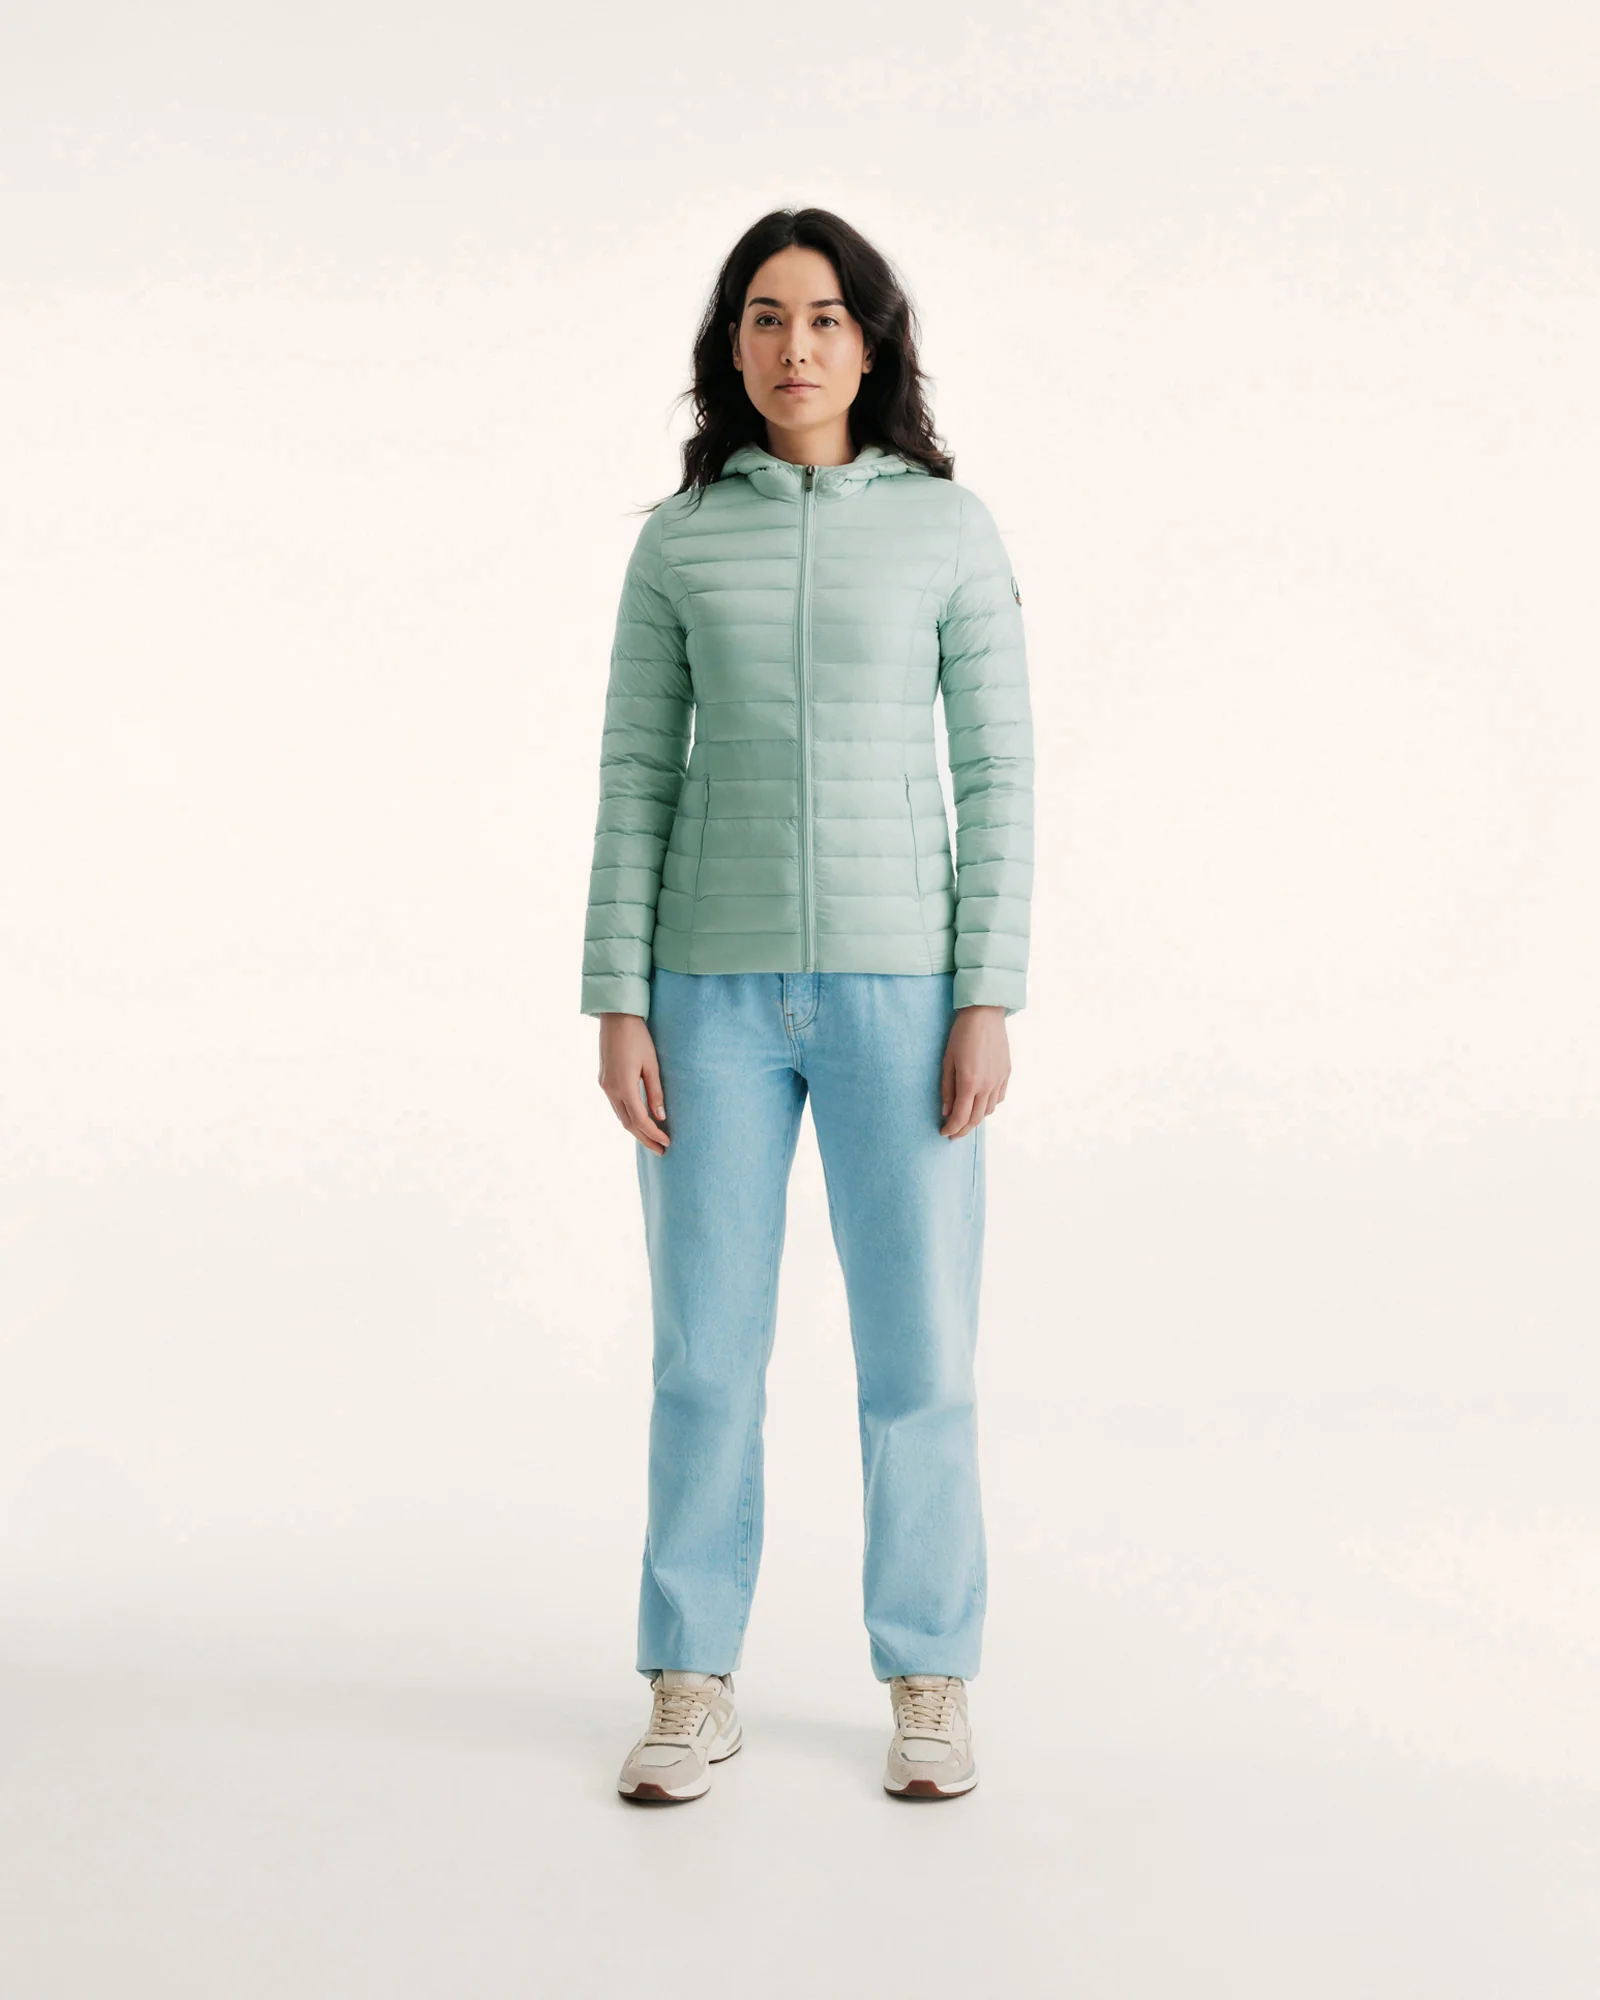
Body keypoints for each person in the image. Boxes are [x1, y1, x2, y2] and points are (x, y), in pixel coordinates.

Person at [580, 207, 1034, 1803]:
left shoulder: (949, 529)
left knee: (920, 1360)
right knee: (704, 1355)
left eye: (826, 317)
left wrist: (988, 995)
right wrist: (617, 1000)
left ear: (872, 340)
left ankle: (928, 1677)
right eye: (766, 317)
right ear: (734, 345)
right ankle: (690, 1677)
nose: (795, 346)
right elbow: (636, 777)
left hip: (905, 997)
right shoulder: (681, 541)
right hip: (706, 993)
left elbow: (999, 775)